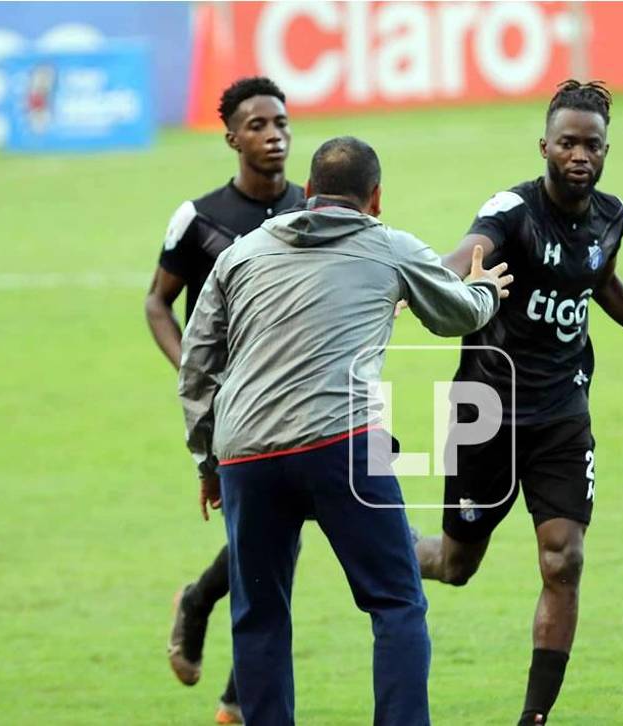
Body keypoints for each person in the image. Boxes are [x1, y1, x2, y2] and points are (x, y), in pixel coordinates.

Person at [414, 80, 623, 725]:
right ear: (544, 146)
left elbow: (600, 279)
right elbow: (465, 254)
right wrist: (411, 285)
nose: (580, 155)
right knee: (455, 562)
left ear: (607, 150)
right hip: (486, 409)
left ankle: (533, 719)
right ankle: (377, 541)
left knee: (565, 557)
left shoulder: (613, 216)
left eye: (592, 145)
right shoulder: (512, 211)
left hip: (561, 414)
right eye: (567, 143)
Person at [178, 136, 513, 726]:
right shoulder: (388, 247)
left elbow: (198, 363)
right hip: (344, 445)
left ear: (306, 193)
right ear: (375, 198)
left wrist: (209, 464)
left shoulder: (242, 253)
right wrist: (485, 288)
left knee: (259, 615)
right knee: (397, 602)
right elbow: (456, 314)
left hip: (247, 457)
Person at [144, 76, 303, 724]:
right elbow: (157, 301)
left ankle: (204, 607)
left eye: (282, 123)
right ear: (232, 136)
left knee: (277, 534)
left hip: (297, 396)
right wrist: (196, 375)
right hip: (232, 411)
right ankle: (240, 690)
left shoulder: (311, 207)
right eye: (259, 126)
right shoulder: (200, 218)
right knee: (269, 533)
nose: (275, 136)